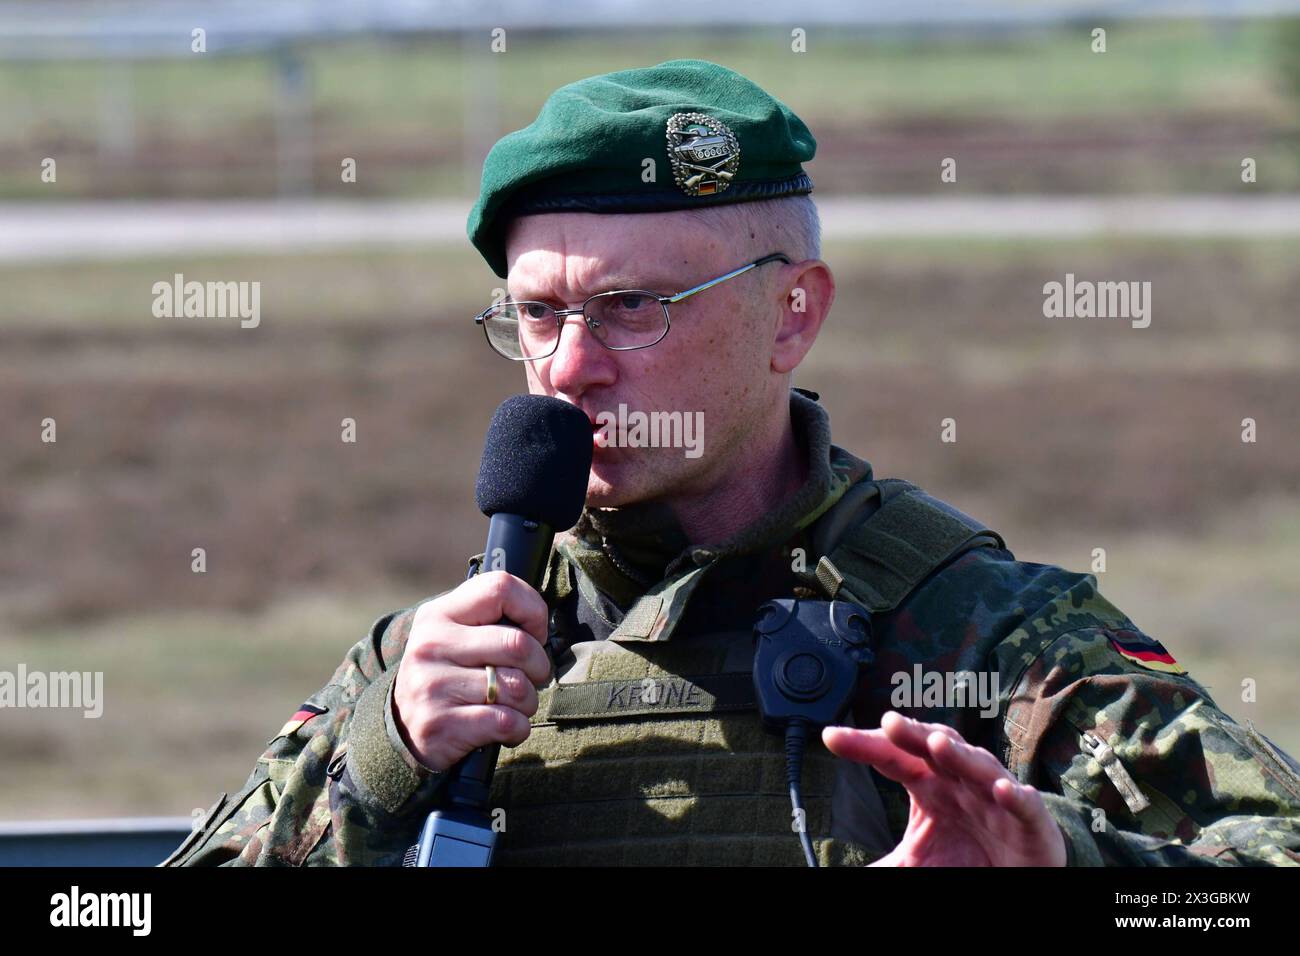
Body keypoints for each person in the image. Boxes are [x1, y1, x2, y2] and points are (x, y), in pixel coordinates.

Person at [165, 59, 1300, 867]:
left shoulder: (978, 631)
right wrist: (385, 757)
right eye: (536, 315)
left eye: (630, 308)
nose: (567, 369)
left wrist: (1060, 856)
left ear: (791, 316)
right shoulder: (443, 656)